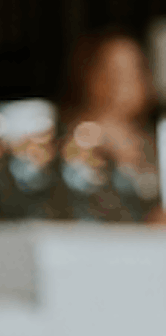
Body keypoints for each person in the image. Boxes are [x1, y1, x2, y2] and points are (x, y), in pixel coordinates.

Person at [54, 30, 164, 223]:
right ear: (89, 75)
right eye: (114, 72)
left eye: (135, 70)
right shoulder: (77, 140)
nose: (125, 82)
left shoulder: (151, 140)